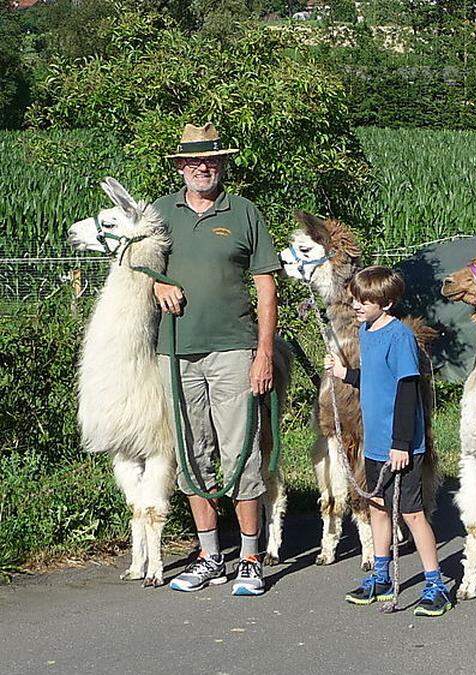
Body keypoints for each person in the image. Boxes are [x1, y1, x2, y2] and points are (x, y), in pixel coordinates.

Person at [153, 123, 279, 597]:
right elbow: (133, 267)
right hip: (176, 352)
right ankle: (210, 555)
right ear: (181, 167)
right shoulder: (160, 213)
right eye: (193, 162)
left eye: (210, 161)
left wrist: (263, 352)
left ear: (222, 165)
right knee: (191, 452)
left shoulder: (244, 213)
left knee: (240, 452)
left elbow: (266, 285)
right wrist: (156, 281)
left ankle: (250, 556)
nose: (202, 168)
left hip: (234, 350)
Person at [325, 265, 452, 617]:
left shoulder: (400, 337)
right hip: (376, 443)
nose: (357, 306)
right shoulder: (367, 332)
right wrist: (344, 374)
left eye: (364, 301)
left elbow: (406, 389)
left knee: (411, 513)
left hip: (402, 445)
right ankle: (380, 577)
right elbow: (374, 379)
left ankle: (435, 584)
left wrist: (401, 443)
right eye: (355, 300)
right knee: (378, 507)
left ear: (387, 302)